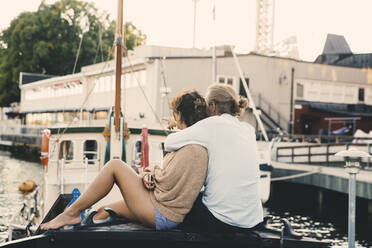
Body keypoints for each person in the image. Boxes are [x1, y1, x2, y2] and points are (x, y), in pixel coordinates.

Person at [41, 90, 209, 231]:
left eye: (175, 114)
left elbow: (166, 184)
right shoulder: (193, 144)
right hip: (160, 207)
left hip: (162, 213)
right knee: (102, 212)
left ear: (179, 115)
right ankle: (74, 217)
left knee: (115, 166)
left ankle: (71, 213)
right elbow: (166, 175)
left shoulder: (191, 150)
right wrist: (148, 174)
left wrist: (151, 175)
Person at [164, 84, 264, 232]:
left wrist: (180, 125)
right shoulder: (248, 130)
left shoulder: (211, 124)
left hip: (221, 221)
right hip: (253, 220)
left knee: (183, 202)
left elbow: (169, 143)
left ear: (212, 106)